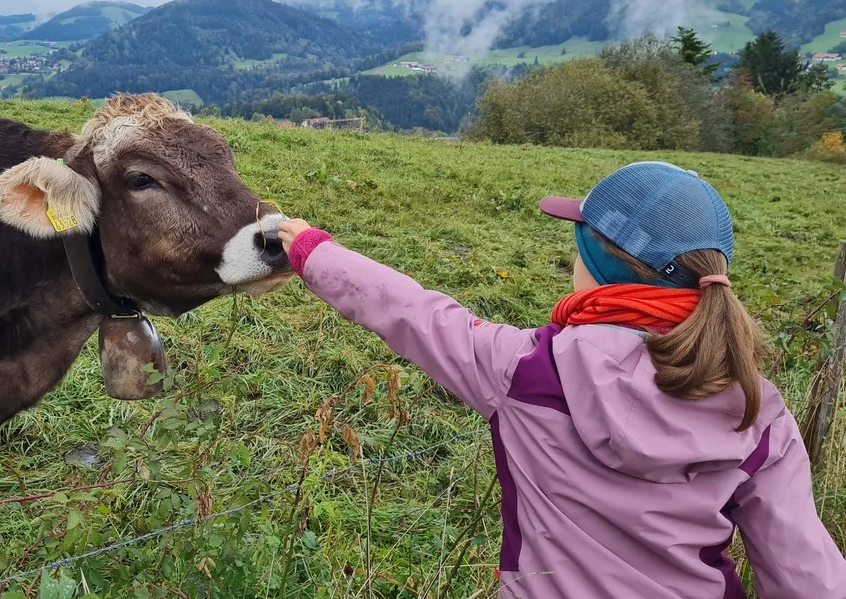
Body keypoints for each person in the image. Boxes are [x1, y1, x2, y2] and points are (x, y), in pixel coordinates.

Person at [276, 161, 846, 598]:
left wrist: (310, 251)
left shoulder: (523, 370)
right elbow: (804, 571)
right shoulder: (757, 408)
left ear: (597, 263)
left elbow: (413, 312)